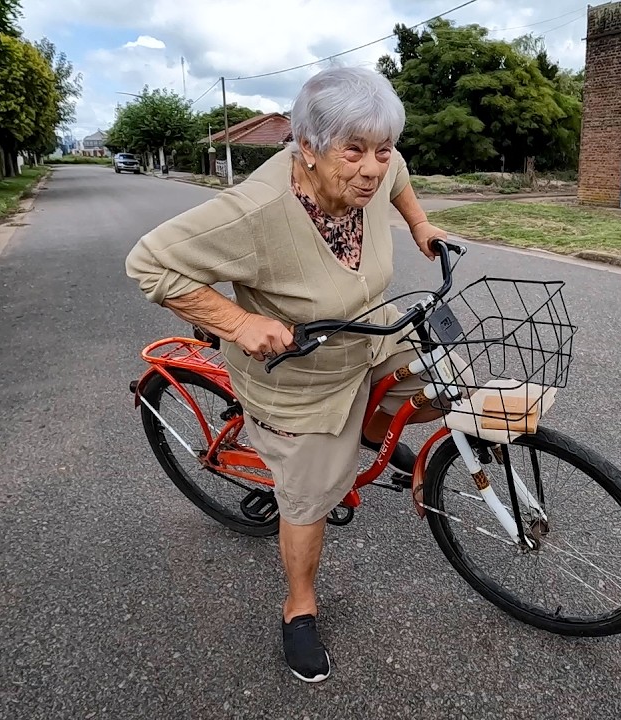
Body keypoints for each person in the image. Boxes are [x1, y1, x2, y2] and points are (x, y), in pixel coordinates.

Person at [125, 66, 454, 683]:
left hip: (366, 328)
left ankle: (369, 432)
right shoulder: (256, 209)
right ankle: (299, 605)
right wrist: (236, 322)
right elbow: (148, 264)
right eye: (352, 151)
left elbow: (400, 174)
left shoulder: (378, 168)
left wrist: (418, 224)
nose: (372, 167)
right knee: (307, 496)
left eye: (379, 149)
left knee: (442, 381)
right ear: (305, 147)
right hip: (296, 374)